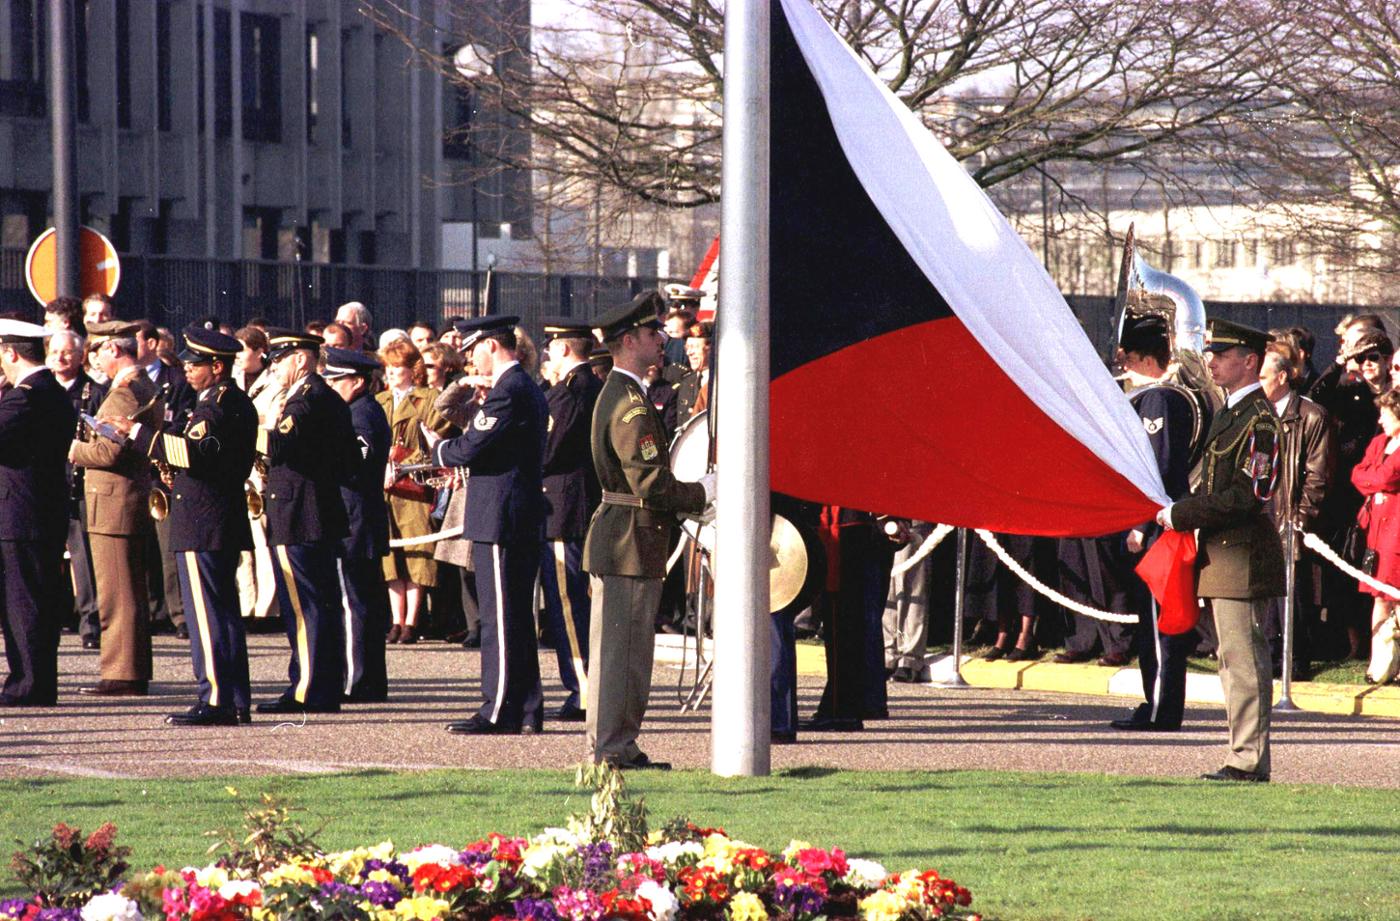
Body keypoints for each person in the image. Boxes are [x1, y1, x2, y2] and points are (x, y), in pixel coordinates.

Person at [581, 293, 713, 767]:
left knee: (627, 656)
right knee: (622, 656)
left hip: (631, 538)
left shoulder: (628, 394)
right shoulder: (629, 403)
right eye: (653, 333)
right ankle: (611, 748)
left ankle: (616, 745)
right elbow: (650, 481)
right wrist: (701, 494)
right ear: (629, 340)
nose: (662, 341)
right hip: (627, 541)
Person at [1158, 318, 1283, 782]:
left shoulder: (1259, 419)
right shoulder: (1230, 412)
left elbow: (1250, 494)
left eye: (1221, 354)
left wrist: (1182, 514)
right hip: (1223, 555)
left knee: (1244, 661)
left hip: (1242, 555)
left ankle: (1248, 760)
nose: (1211, 361)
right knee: (1230, 661)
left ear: (1248, 361)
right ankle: (1241, 754)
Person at [115, 326, 258, 725]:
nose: (188, 371)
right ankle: (234, 698)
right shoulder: (225, 401)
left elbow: (194, 452)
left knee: (206, 614)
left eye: (195, 365)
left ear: (216, 366)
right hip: (215, 517)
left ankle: (215, 699)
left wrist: (138, 433)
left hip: (203, 519)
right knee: (222, 612)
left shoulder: (216, 405)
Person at [427, 315, 549, 735]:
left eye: (473, 348)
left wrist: (439, 449)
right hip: (512, 513)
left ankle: (498, 709)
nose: (469, 357)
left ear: (491, 347)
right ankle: (528, 706)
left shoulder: (508, 392)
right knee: (513, 616)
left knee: (501, 618)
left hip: (502, 515)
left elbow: (469, 446)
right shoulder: (519, 389)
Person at [1101, 315, 1201, 732]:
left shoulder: (1160, 400)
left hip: (1157, 525)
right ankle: (1153, 700)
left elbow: (1156, 469)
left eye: (1129, 357)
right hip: (1154, 522)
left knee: (1161, 626)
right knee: (1150, 622)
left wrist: (1141, 523)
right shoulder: (1151, 398)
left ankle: (1162, 708)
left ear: (1143, 358)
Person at [255, 329, 358, 715]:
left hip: (299, 513)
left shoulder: (307, 399)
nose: (275, 367)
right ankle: (320, 684)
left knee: (305, 605)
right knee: (319, 603)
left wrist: (249, 428)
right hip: (314, 511)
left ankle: (309, 687)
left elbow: (280, 444)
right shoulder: (322, 398)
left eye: (280, 359)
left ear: (300, 358)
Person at [69, 320, 164, 698]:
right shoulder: (139, 385)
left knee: (117, 593)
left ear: (113, 350)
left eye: (98, 350)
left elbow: (110, 450)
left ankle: (122, 673)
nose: (95, 358)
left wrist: (76, 451)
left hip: (114, 502)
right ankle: (127, 669)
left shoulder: (124, 393)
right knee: (126, 591)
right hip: (121, 501)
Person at [0, 320, 77, 707]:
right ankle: (34, 680)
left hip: (21, 513)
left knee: (23, 602)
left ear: (11, 352)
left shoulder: (25, 396)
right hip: (38, 511)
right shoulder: (48, 391)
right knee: (34, 600)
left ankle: (29, 684)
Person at [538, 319, 604, 723]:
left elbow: (548, 450)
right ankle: (585, 685)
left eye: (552, 348)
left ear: (564, 349)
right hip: (571, 505)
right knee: (575, 602)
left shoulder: (572, 392)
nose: (548, 354)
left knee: (568, 603)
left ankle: (583, 689)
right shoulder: (583, 387)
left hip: (564, 509)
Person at [1259, 340, 1333, 680]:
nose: (1258, 384)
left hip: (1290, 515)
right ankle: (1271, 655)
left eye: (1264, 377)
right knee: (1266, 595)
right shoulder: (1258, 415)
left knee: (1293, 595)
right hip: (1262, 513)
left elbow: (1318, 476)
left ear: (1284, 377)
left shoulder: (1311, 416)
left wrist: (1299, 518)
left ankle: (1295, 660)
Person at [323, 347, 393, 702]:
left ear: (358, 382)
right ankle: (368, 680)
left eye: (338, 380)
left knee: (355, 605)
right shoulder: (357, 411)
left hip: (354, 519)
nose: (332, 386)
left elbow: (354, 465)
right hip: (357, 518)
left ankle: (358, 680)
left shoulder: (361, 414)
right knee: (360, 601)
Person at [377, 340, 452, 644]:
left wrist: (403, 460)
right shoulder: (380, 399)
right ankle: (396, 620)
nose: (392, 372)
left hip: (413, 484)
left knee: (416, 552)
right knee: (391, 556)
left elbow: (438, 434)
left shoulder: (429, 398)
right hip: (385, 487)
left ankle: (412, 621)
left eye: (398, 367)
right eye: (389, 367)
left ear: (412, 370)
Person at [48, 328, 106, 650]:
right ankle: (53, 620)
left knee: (83, 560)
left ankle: (90, 626)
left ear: (81, 355)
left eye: (68, 351)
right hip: (45, 485)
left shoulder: (92, 392)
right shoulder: (40, 389)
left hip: (78, 485)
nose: (61, 357)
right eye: (55, 351)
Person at [1349, 389, 1400, 684]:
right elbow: (1358, 474)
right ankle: (1378, 664)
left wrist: (1376, 480)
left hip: (1396, 532)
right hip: (1377, 532)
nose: (1380, 420)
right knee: (1379, 597)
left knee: (1396, 597)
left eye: (1386, 414)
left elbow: (1384, 477)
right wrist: (1376, 481)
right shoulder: (1379, 442)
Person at [233, 326, 283, 624]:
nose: (238, 357)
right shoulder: (234, 381)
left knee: (263, 541)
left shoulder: (275, 384)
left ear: (259, 351)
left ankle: (267, 608)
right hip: (237, 466)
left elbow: (273, 422)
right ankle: (246, 604)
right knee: (243, 545)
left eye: (243, 350)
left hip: (260, 469)